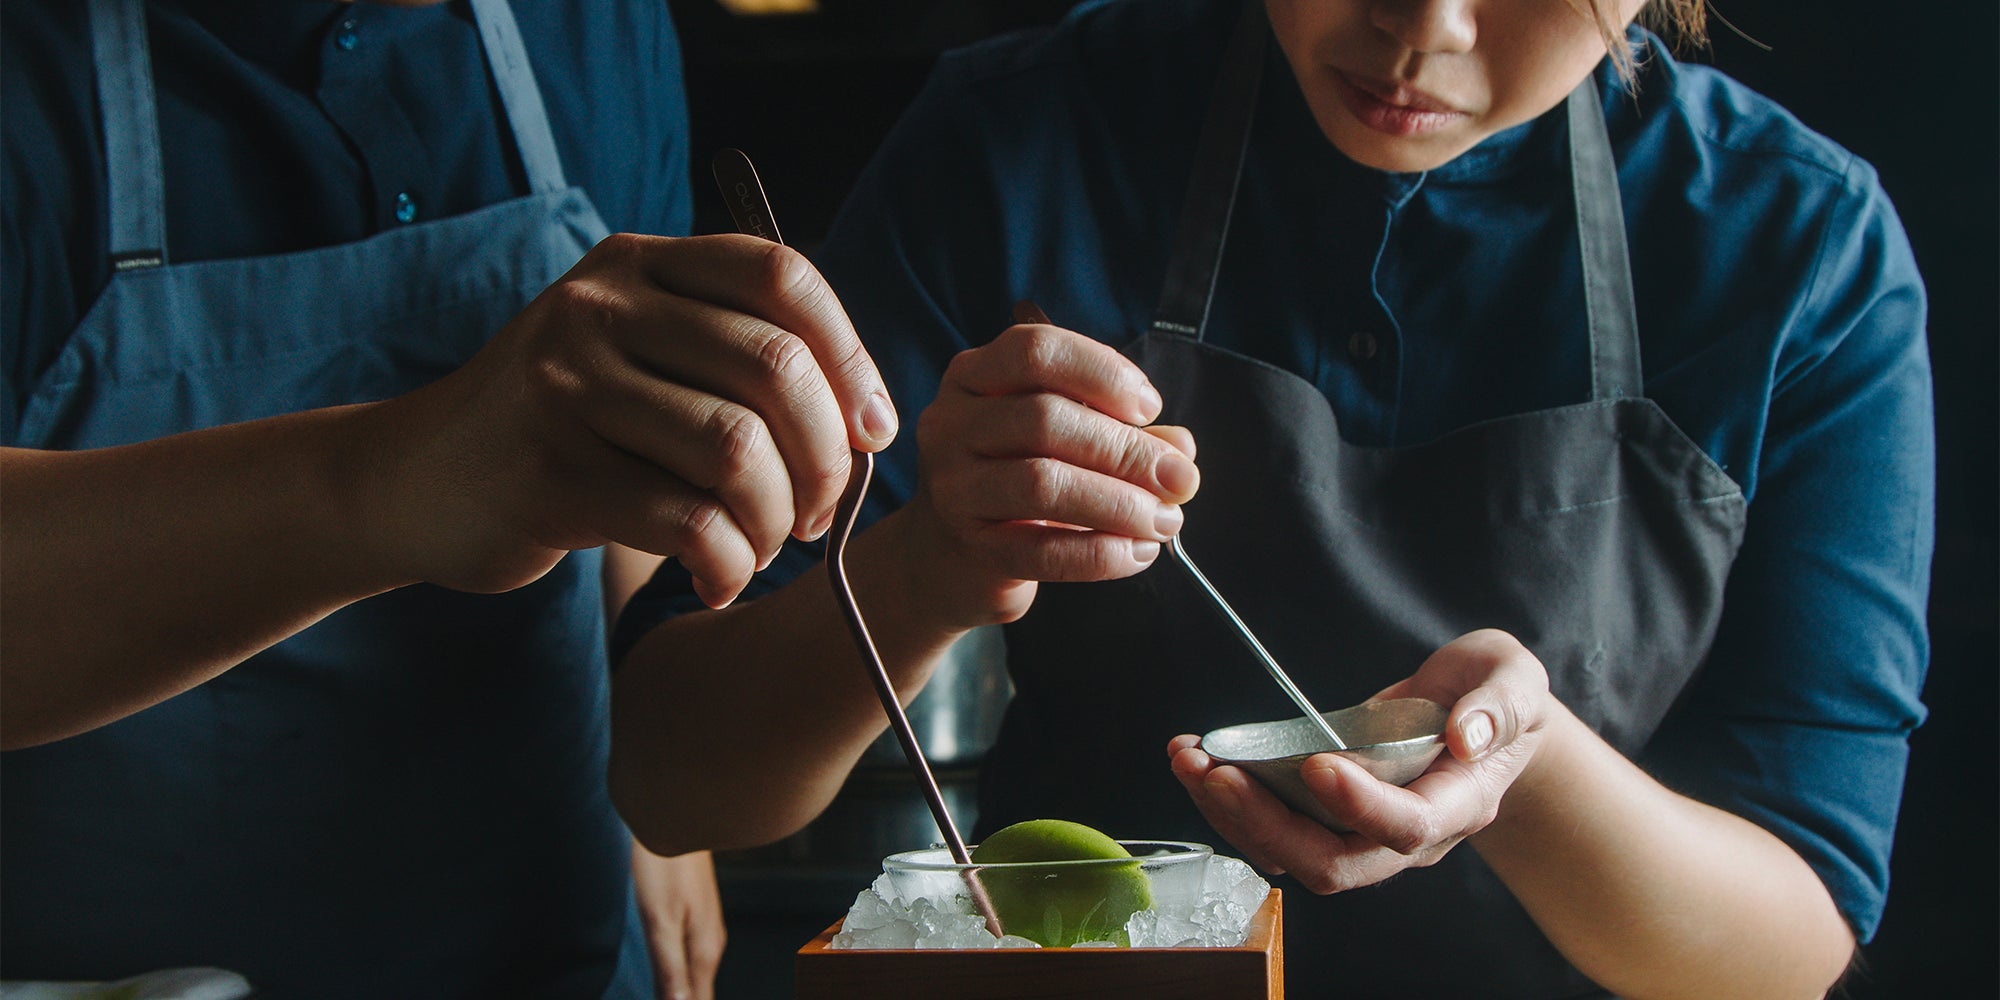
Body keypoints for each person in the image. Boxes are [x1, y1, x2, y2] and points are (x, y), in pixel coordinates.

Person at [605, 0, 1933, 996]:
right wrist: (937, 563)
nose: (1422, 29)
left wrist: (1512, 777)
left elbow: (1788, 945)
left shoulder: (1799, 249)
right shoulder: (1033, 135)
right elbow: (670, 775)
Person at [0, 0, 896, 996]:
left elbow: (629, 498)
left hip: (557, 950)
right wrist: (391, 473)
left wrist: (652, 800)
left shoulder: (598, 27)